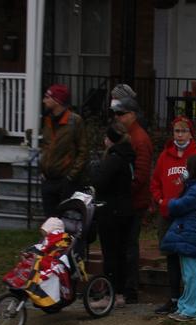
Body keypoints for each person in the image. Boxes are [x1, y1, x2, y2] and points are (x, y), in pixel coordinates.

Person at [150, 115, 196, 314]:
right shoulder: (165, 156)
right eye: (176, 131)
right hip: (167, 214)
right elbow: (155, 182)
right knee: (170, 257)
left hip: (186, 216)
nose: (179, 135)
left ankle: (188, 303)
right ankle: (173, 298)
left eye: (183, 131)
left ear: (190, 133)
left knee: (187, 260)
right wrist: (160, 199)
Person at [161, 154, 196, 322]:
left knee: (191, 274)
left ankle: (191, 309)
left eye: (187, 167)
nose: (185, 170)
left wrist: (167, 203)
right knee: (187, 273)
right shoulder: (195, 187)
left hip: (190, 234)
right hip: (187, 233)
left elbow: (180, 205)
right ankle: (184, 306)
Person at [112, 98, 154, 304]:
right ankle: (125, 287)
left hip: (134, 202)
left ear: (133, 115)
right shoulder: (130, 136)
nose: (117, 117)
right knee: (123, 245)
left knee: (129, 246)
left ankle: (130, 289)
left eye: (121, 114)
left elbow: (142, 174)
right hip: (126, 201)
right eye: (116, 114)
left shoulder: (139, 138)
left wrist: (124, 192)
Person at [91, 121, 136, 309]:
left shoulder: (113, 158)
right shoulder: (128, 156)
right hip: (125, 210)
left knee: (110, 254)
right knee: (121, 252)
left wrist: (94, 171)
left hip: (111, 211)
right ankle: (120, 293)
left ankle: (110, 293)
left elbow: (100, 182)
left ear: (110, 140)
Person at [40, 83, 88, 218]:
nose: (44, 100)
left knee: (66, 222)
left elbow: (83, 151)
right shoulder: (48, 120)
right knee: (50, 224)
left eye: (47, 97)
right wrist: (43, 170)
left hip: (65, 181)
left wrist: (71, 176)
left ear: (57, 101)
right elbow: (46, 145)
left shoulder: (74, 121)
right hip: (48, 179)